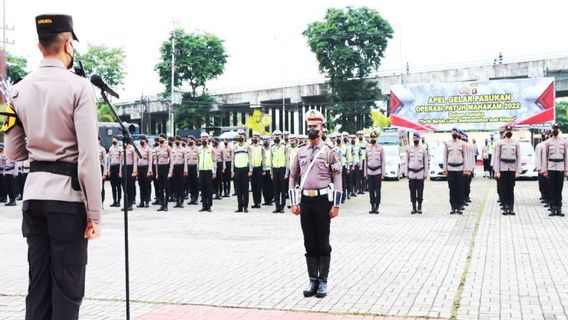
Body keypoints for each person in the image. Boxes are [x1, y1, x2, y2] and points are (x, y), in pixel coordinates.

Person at [3, 14, 102, 319]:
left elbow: (14, 152)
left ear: (39, 45)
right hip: (67, 201)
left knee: (39, 287)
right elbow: (87, 158)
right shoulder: (80, 88)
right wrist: (94, 214)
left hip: (34, 198)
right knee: (67, 289)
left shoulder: (16, 91)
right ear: (68, 44)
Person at [289, 109, 342, 299]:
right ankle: (312, 280)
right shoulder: (300, 151)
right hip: (305, 202)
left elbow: (337, 178)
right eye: (309, 126)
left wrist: (336, 205)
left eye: (315, 126)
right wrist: (293, 202)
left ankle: (323, 281)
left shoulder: (329, 152)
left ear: (322, 128)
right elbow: (293, 176)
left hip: (322, 202)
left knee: (323, 241)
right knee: (309, 241)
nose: (311, 129)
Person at [493, 125, 520, 215]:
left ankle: (511, 208)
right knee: (503, 188)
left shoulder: (516, 143)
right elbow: (496, 157)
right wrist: (497, 171)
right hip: (502, 168)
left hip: (512, 168)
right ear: (505, 132)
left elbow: (518, 157)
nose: (509, 132)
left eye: (510, 130)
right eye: (507, 130)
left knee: (511, 188)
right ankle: (505, 207)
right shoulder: (500, 143)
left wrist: (517, 171)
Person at [542, 123, 568, 217]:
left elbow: (566, 157)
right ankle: (553, 208)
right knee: (552, 188)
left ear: (559, 129)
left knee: (559, 188)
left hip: (560, 166)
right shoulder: (547, 142)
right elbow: (544, 157)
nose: (555, 130)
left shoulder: (564, 142)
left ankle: (559, 208)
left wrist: (566, 169)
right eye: (554, 128)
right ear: (552, 130)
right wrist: (545, 169)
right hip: (551, 167)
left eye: (557, 128)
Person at [443, 128, 472, 214]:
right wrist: (445, 169)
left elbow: (465, 157)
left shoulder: (462, 144)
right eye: (453, 132)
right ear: (451, 133)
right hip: (451, 169)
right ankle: (453, 207)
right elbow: (445, 157)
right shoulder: (447, 144)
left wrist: (466, 169)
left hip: (460, 169)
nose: (454, 134)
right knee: (452, 189)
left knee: (460, 188)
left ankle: (459, 206)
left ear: (458, 134)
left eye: (455, 132)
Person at [405, 132, 429, 214]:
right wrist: (406, 173)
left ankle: (419, 206)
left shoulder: (423, 149)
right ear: (412, 139)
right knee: (412, 191)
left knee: (420, 191)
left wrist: (425, 174)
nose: (415, 139)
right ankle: (413, 207)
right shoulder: (409, 149)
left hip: (420, 173)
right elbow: (406, 161)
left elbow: (426, 162)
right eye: (414, 138)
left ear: (419, 138)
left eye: (417, 138)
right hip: (411, 173)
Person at [365, 131, 385, 214]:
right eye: (372, 137)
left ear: (377, 138)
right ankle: (372, 206)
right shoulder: (367, 148)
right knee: (371, 190)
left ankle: (377, 206)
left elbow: (383, 162)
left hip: (378, 172)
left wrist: (383, 174)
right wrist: (365, 174)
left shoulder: (380, 148)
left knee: (378, 190)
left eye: (374, 137)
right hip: (370, 172)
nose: (373, 138)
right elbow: (365, 162)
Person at [232, 129, 252, 212]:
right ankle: (240, 206)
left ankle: (245, 206)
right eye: (239, 135)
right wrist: (232, 170)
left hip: (245, 169)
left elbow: (250, 158)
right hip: (237, 169)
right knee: (238, 189)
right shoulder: (234, 146)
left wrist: (250, 170)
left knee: (245, 188)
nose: (240, 136)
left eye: (242, 135)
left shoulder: (247, 146)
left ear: (244, 136)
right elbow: (233, 159)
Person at [197, 132, 216, 212]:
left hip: (209, 171)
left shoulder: (211, 149)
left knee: (209, 189)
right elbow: (198, 161)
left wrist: (214, 172)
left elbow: (214, 161)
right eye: (202, 138)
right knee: (203, 189)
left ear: (208, 139)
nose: (204, 139)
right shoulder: (199, 149)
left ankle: (209, 206)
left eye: (205, 138)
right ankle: (204, 205)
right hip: (201, 170)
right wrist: (198, 172)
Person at [271, 132, 289, 213]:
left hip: (282, 169)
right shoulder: (272, 148)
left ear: (281, 137)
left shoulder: (284, 147)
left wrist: (286, 173)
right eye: (275, 136)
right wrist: (271, 173)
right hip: (275, 169)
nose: (277, 137)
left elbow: (287, 160)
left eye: (278, 136)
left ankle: (282, 207)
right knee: (276, 189)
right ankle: (277, 206)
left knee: (283, 189)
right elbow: (271, 160)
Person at [155, 133, 172, 212]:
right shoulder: (157, 149)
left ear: (165, 140)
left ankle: (166, 205)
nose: (160, 140)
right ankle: (162, 204)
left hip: (166, 167)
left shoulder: (168, 148)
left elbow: (171, 161)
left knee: (167, 187)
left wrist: (170, 172)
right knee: (160, 188)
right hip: (160, 168)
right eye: (159, 139)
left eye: (162, 139)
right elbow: (156, 162)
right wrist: (157, 173)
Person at [170, 136, 187, 208]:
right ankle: (177, 201)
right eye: (175, 140)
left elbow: (185, 160)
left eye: (178, 140)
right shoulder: (172, 149)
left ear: (180, 141)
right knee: (176, 185)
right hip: (174, 167)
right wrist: (170, 170)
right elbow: (171, 160)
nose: (176, 141)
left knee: (181, 185)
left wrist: (185, 170)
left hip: (181, 167)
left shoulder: (183, 150)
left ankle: (182, 201)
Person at [136, 135, 153, 208]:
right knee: (141, 185)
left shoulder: (149, 149)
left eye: (142, 140)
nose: (141, 141)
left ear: (145, 141)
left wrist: (149, 170)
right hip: (140, 168)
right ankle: (142, 201)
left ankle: (147, 201)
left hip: (146, 168)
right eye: (140, 140)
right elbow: (136, 160)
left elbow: (150, 160)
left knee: (146, 185)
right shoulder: (138, 149)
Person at [122, 138, 138, 211]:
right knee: (124, 186)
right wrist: (120, 171)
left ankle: (130, 204)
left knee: (130, 186)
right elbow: (121, 160)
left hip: (130, 167)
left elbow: (135, 160)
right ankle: (126, 204)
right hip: (123, 167)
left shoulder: (132, 148)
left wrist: (134, 170)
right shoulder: (123, 148)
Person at [250, 132, 264, 208]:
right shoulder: (250, 147)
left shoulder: (261, 147)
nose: (255, 138)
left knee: (259, 186)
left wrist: (263, 169)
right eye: (254, 137)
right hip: (252, 168)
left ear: (259, 138)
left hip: (259, 168)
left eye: (256, 137)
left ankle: (258, 202)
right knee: (253, 186)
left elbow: (264, 158)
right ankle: (255, 202)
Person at [107, 135, 122, 207]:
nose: (113, 141)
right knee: (113, 186)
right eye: (113, 140)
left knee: (118, 185)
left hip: (118, 166)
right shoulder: (110, 148)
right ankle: (114, 201)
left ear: (118, 141)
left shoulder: (120, 149)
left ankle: (119, 201)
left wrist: (120, 171)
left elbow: (121, 161)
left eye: (115, 140)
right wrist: (108, 170)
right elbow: (109, 160)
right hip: (112, 167)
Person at [185, 136, 200, 205]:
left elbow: (199, 159)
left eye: (191, 140)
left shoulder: (197, 148)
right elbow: (185, 160)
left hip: (195, 167)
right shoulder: (186, 149)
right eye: (189, 140)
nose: (189, 141)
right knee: (190, 183)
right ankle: (192, 198)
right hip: (189, 166)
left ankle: (196, 198)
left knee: (195, 183)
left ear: (194, 140)